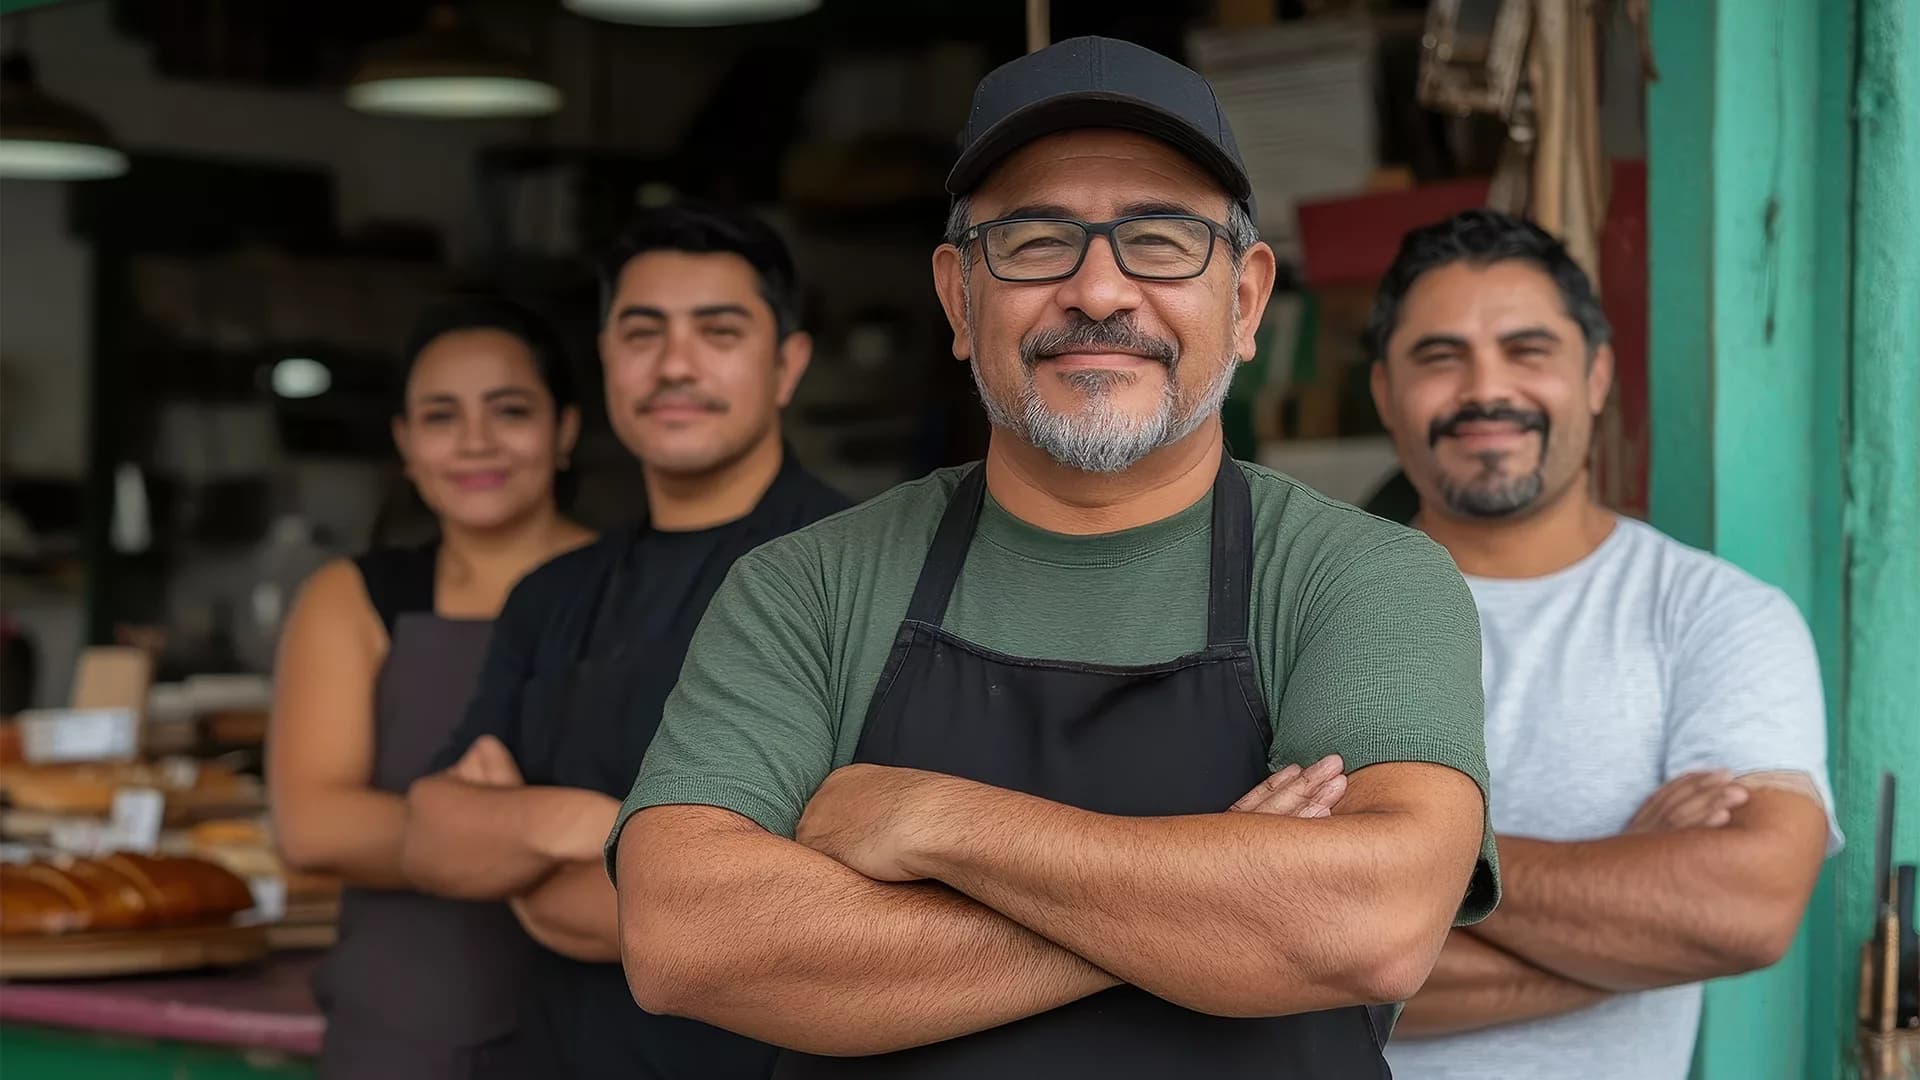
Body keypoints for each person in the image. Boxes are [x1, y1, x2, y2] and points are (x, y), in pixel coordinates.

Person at [609, 37, 1498, 1079]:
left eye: (1161, 240)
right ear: (958, 298)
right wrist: (1215, 903)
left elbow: (1369, 924)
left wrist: (936, 822)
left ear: (1247, 301)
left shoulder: (1362, 577)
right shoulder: (806, 587)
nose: (1100, 290)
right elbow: (686, 938)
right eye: (1035, 242)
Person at [1365, 209, 1840, 1080]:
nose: (1485, 389)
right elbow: (1268, 950)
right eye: (1439, 357)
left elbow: (1745, 909)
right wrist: (1631, 928)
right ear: (1385, 392)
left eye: (1528, 350)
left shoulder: (1715, 616)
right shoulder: (1304, 612)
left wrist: (1385, 852)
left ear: (1596, 376)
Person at [398, 204, 848, 1080]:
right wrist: (612, 831)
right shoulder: (553, 593)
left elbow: (812, 908)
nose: (674, 365)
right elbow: (431, 835)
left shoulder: (855, 572)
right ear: (606, 357)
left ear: (788, 364)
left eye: (718, 331)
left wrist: (523, 853)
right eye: (643, 333)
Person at [268, 297, 595, 1079]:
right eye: (441, 416)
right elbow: (314, 826)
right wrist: (546, 833)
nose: (475, 441)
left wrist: (465, 835)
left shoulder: (639, 588)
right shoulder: (351, 598)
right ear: (406, 444)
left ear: (565, 431)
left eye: (509, 410)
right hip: (401, 1034)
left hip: (604, 1032)